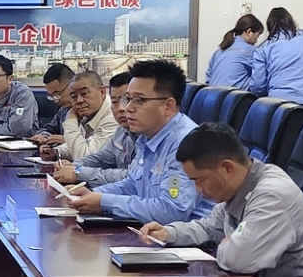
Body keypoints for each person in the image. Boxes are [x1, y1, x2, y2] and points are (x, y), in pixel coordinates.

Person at [139, 122, 303, 277]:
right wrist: (170, 233)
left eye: (200, 180)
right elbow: (210, 227)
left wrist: (227, 245)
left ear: (226, 167)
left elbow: (239, 260)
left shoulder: (270, 195)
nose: (198, 189)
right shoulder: (242, 185)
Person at [65, 59, 209, 227]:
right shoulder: (147, 135)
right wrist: (92, 194)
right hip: (150, 230)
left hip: (189, 238)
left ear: (168, 106)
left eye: (139, 100)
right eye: (128, 99)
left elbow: (171, 210)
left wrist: (104, 202)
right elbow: (133, 184)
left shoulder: (185, 142)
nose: (128, 108)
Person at [243, 6, 303, 109]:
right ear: (290, 21)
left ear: (270, 26)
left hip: (279, 105)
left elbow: (257, 86)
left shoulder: (263, 48)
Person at [51, 71, 135, 187]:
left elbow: (132, 177)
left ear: (102, 92)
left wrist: (78, 172)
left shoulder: (116, 120)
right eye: (115, 101)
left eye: (127, 100)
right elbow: (101, 157)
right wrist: (74, 166)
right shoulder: (122, 129)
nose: (122, 108)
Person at [50, 70, 118, 163]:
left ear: (102, 92)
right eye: (74, 97)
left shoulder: (113, 117)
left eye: (84, 93)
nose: (79, 100)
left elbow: (84, 158)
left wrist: (70, 122)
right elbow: (82, 144)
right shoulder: (89, 112)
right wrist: (56, 152)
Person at [203, 14, 263, 88]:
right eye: (257, 36)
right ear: (249, 32)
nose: (256, 41)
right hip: (235, 94)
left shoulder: (219, 51)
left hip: (212, 93)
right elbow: (259, 82)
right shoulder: (252, 52)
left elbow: (208, 78)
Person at [37, 62, 74, 135]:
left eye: (57, 93)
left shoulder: (88, 110)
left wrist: (66, 140)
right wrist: (43, 137)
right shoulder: (63, 110)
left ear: (72, 85)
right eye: (52, 96)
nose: (56, 101)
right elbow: (48, 129)